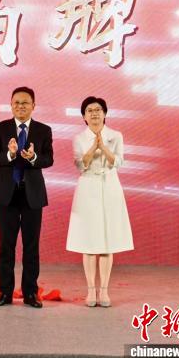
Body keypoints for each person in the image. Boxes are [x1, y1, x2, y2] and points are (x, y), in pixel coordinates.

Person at [0, 86, 53, 307]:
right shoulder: (1, 128)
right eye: (16, 102)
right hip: (6, 193)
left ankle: (30, 293)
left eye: (25, 103)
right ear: (11, 105)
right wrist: (10, 154)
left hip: (32, 194)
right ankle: (5, 292)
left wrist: (33, 157)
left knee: (31, 246)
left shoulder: (43, 130)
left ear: (33, 105)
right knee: (6, 245)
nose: (20, 106)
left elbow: (49, 159)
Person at [66, 96, 133, 307]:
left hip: (110, 186)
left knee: (106, 241)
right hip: (88, 187)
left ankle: (104, 290)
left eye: (98, 110)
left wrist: (103, 147)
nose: (94, 113)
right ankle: (90, 291)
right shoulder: (79, 138)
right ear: (84, 117)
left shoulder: (116, 135)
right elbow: (80, 165)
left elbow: (118, 162)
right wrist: (92, 148)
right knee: (88, 241)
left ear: (104, 113)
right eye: (89, 110)